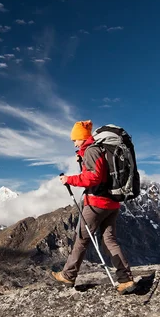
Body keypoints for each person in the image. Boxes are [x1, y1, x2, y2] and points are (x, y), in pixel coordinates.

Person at [52, 120, 136, 294]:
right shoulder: (98, 149)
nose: (74, 143)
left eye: (75, 139)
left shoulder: (92, 150)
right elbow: (101, 172)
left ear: (83, 138)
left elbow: (94, 178)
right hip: (112, 202)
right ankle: (126, 279)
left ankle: (68, 275)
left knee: (81, 238)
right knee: (110, 241)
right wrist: (82, 159)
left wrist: (70, 180)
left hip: (96, 203)